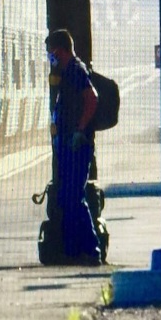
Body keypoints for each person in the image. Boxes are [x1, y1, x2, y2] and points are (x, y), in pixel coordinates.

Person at [46, 28, 102, 265]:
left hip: (77, 145)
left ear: (60, 50)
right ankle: (75, 249)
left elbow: (92, 98)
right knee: (69, 196)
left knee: (74, 196)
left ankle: (90, 249)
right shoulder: (69, 71)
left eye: (51, 54)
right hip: (69, 143)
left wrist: (79, 129)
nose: (50, 58)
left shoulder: (75, 70)